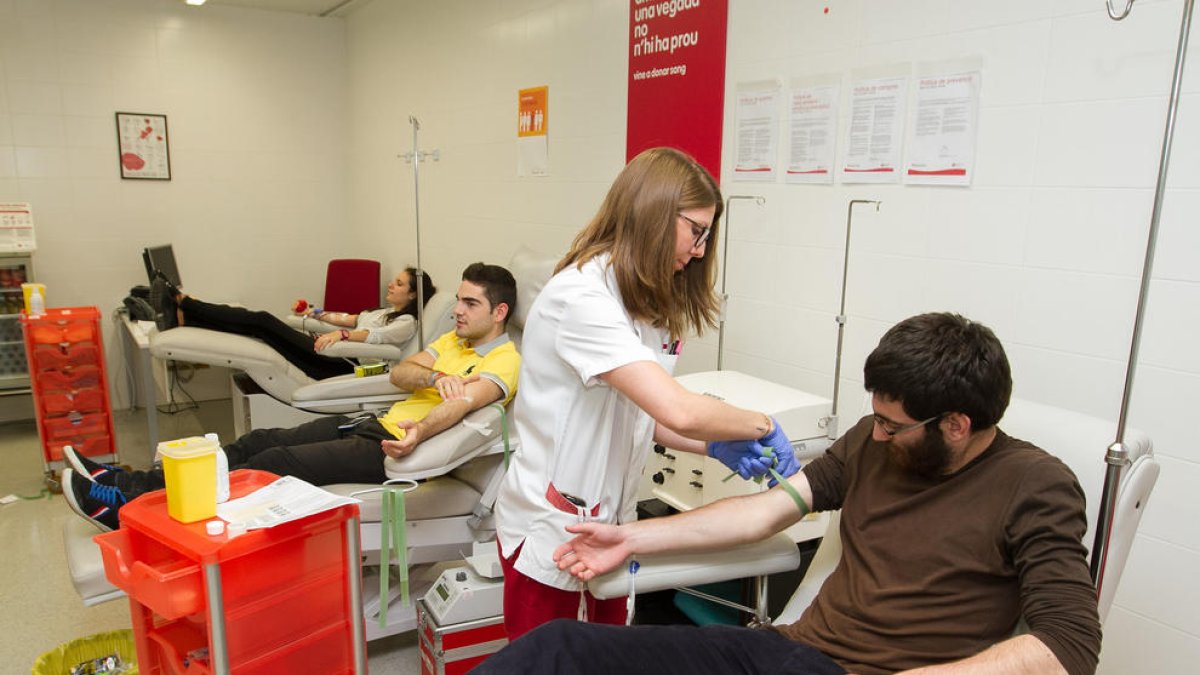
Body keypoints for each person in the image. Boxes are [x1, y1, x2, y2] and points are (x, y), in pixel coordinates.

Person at [476, 313, 1103, 675]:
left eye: (893, 425)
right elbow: (766, 511)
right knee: (557, 651)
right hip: (790, 654)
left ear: (957, 424)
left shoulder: (1035, 485)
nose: (877, 434)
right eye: (876, 418)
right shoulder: (869, 442)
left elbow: (1068, 643)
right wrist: (632, 537)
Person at [493, 147, 801, 640]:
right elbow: (675, 407)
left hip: (610, 524)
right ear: (655, 215)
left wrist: (714, 445)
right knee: (546, 659)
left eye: (707, 234)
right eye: (696, 230)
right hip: (553, 528)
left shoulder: (638, 301)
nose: (700, 249)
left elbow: (644, 415)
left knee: (611, 657)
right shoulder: (582, 298)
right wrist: (762, 424)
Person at [66, 263, 520, 532]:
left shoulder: (504, 360)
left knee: (276, 461)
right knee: (256, 440)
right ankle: (131, 483)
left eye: (470, 304)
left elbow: (462, 406)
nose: (458, 310)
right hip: (371, 424)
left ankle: (127, 510)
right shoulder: (452, 344)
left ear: (499, 312)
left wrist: (418, 429)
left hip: (393, 450)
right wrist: (435, 375)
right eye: (458, 300)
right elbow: (403, 372)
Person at [148, 267, 436, 380]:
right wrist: (314, 313)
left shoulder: (407, 322)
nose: (391, 284)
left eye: (399, 283)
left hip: (339, 364)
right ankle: (187, 316)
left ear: (412, 294)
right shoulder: (383, 311)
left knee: (261, 320)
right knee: (257, 327)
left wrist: (342, 335)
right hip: (329, 351)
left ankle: (185, 302)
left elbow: (375, 339)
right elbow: (346, 318)